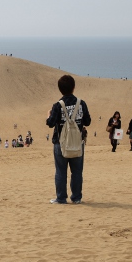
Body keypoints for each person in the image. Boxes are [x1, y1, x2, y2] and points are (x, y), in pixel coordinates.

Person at [46, 75, 91, 204]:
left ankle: (61, 198)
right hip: (77, 142)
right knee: (77, 171)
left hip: (60, 143)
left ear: (60, 89)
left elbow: (50, 123)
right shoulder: (81, 104)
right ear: (73, 87)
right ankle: (76, 198)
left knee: (61, 171)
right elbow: (87, 121)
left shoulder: (57, 105)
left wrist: (48, 115)